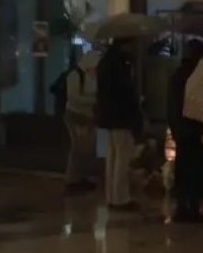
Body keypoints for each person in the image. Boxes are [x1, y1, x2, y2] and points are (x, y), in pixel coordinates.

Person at [96, 38, 143, 211]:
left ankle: (112, 196)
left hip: (108, 117)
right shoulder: (120, 65)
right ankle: (121, 198)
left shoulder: (104, 63)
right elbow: (125, 93)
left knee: (112, 156)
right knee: (122, 158)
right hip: (121, 117)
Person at [166, 39, 203, 223]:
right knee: (194, 170)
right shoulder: (195, 77)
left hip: (181, 129)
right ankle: (192, 207)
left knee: (183, 169)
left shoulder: (178, 75)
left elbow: (172, 107)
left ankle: (183, 207)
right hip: (193, 129)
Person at [52, 50, 101, 193]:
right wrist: (95, 100)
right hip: (76, 116)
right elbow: (74, 98)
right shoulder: (75, 75)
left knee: (87, 149)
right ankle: (72, 179)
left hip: (88, 117)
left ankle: (81, 177)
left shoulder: (90, 76)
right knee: (78, 148)